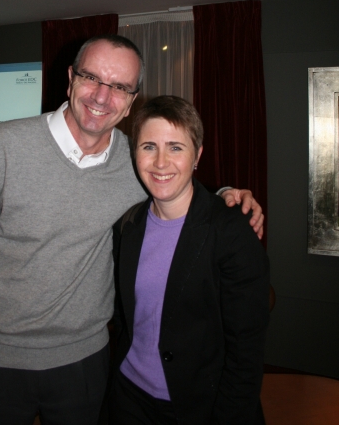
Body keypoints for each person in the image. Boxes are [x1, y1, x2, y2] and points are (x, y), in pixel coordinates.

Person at [0, 35, 264, 425]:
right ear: (70, 78)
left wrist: (226, 195)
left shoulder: (134, 160)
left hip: (86, 362)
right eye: (92, 77)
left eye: (120, 86)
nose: (102, 96)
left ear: (131, 100)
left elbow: (176, 184)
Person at [110, 95, 270, 424]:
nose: (161, 162)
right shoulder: (128, 225)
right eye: (149, 146)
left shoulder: (231, 232)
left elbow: (246, 354)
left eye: (176, 147)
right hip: (129, 397)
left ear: (197, 155)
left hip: (198, 405)